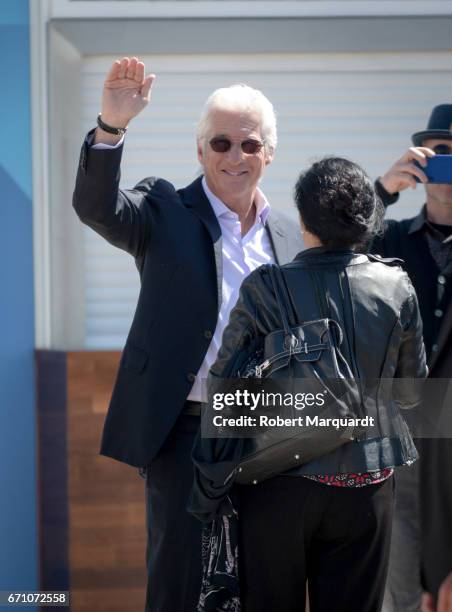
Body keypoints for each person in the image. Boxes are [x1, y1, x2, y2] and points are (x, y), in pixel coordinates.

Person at [72, 56, 303, 611]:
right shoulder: (164, 209)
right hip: (185, 430)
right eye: (221, 143)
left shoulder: (291, 237)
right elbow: (96, 206)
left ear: (268, 153)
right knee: (179, 578)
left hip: (266, 432)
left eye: (250, 145)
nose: (235, 156)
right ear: (200, 151)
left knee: (267, 581)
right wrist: (111, 127)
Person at [189, 156, 428, 612]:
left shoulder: (266, 286)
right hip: (368, 482)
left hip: (278, 482)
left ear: (302, 219)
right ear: (368, 221)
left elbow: (223, 387)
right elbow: (413, 395)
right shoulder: (397, 285)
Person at [373, 104, 452, 612]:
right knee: (400, 582)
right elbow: (325, 250)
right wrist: (382, 192)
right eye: (442, 155)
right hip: (399, 433)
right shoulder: (390, 240)